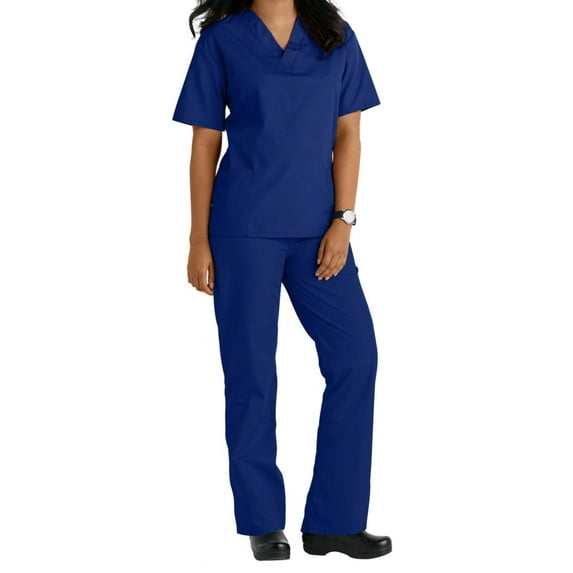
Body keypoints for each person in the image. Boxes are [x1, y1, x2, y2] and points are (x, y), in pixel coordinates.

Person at [172, 0, 392, 561]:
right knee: (251, 371)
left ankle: (335, 522)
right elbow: (205, 142)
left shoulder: (335, 35)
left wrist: (343, 220)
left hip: (319, 228)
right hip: (243, 228)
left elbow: (349, 132)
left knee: (355, 357)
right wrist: (198, 239)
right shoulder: (223, 41)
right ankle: (263, 520)